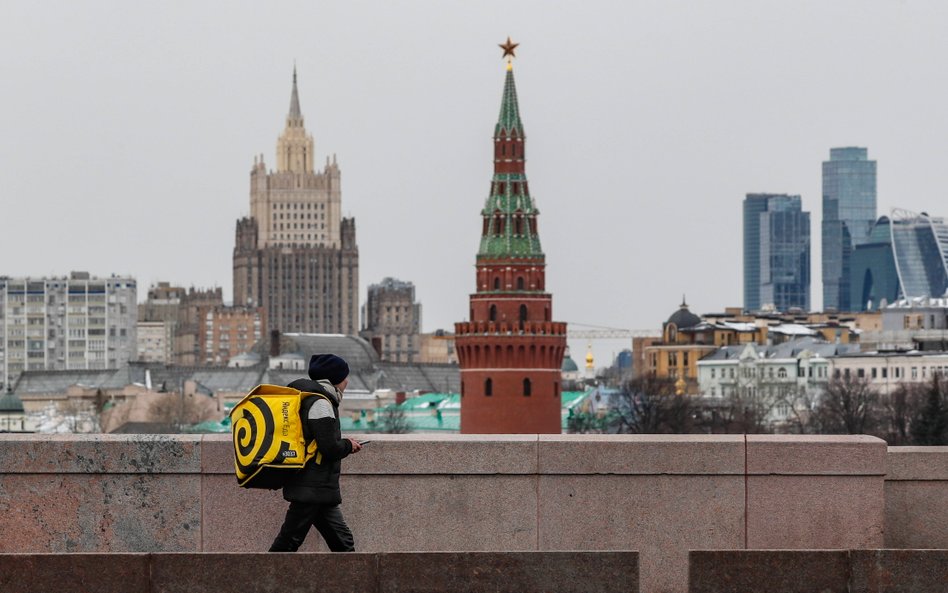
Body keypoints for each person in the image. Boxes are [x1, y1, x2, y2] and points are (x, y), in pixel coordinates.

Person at [269, 353, 363, 552]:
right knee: (289, 542)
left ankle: (354, 580)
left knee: (342, 543)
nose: (347, 381)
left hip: (315, 486)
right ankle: (258, 580)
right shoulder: (320, 403)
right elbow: (329, 448)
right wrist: (348, 445)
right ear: (336, 378)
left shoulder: (306, 397)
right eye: (345, 376)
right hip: (312, 485)